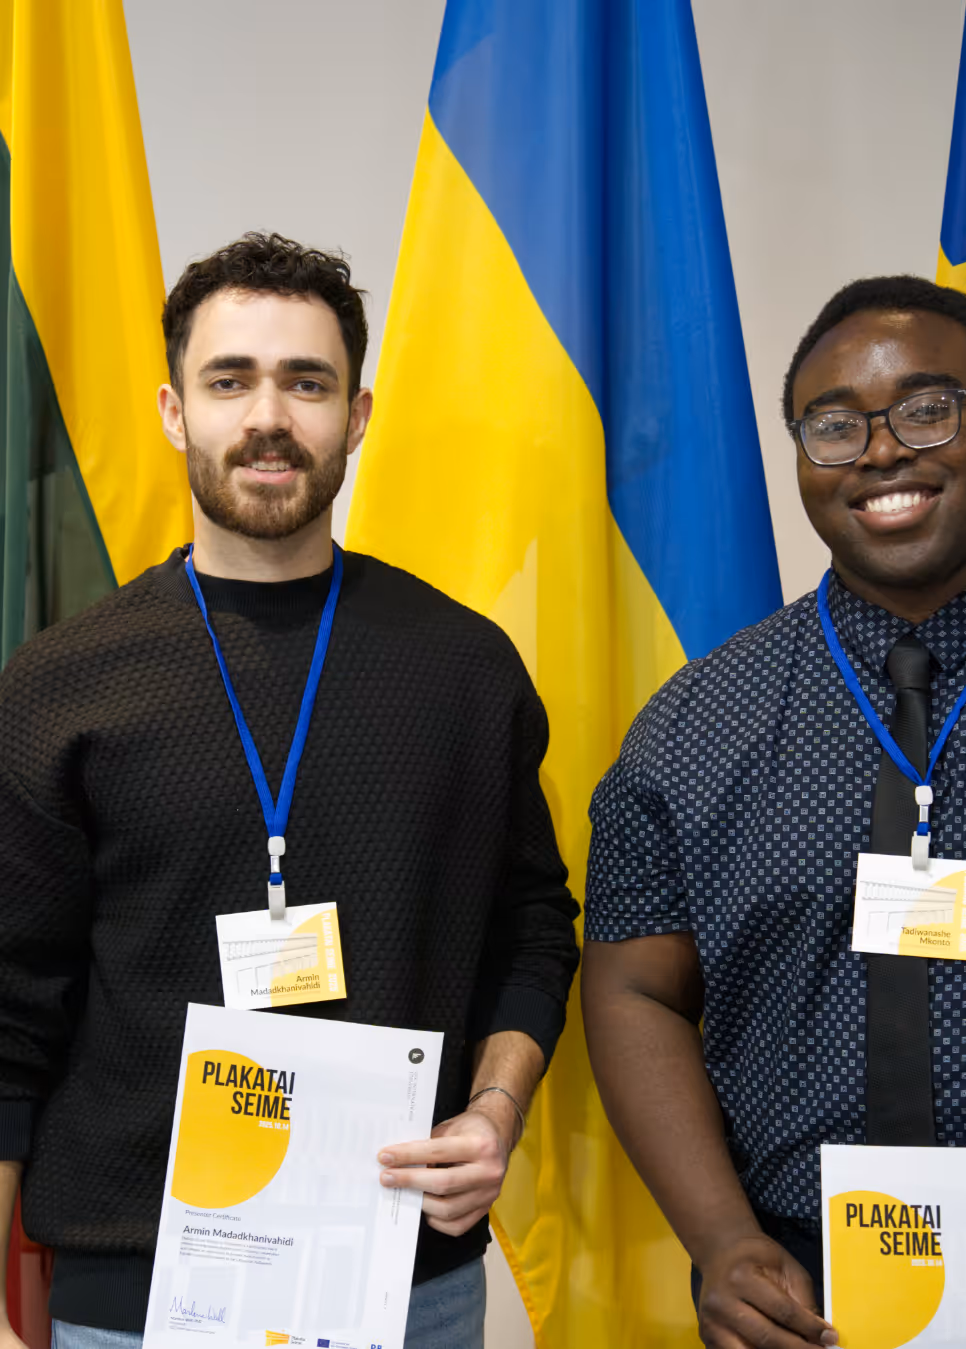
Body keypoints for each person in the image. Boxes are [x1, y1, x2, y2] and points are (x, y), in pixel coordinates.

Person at [0, 232, 579, 1349]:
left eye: (306, 381)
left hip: (408, 1276)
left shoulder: (465, 667)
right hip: (136, 1288)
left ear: (356, 415)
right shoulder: (61, 686)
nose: (269, 416)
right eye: (231, 380)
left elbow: (533, 929)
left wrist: (495, 1108)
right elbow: (8, 1010)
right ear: (175, 411)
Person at [581, 275, 966, 1349]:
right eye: (835, 425)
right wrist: (719, 1237)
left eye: (927, 408)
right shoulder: (691, 725)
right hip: (806, 1304)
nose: (882, 450)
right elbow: (631, 983)